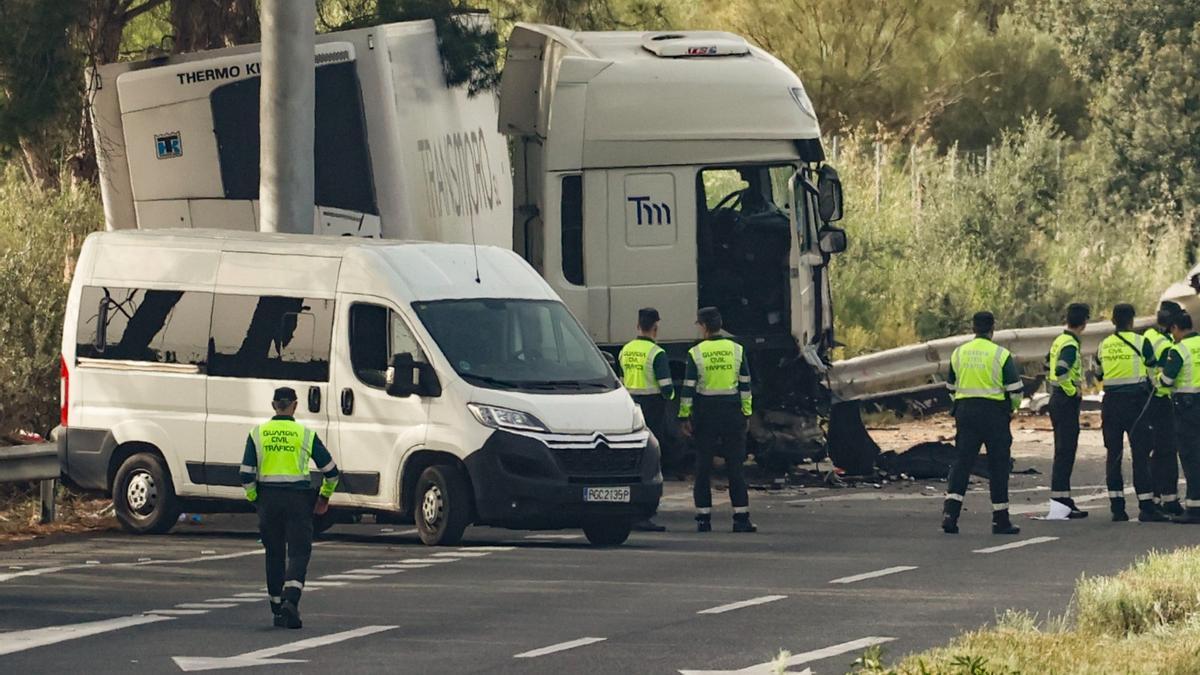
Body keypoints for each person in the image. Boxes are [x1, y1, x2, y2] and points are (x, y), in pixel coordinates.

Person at [240, 387, 340, 629]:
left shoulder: (258, 434)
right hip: (298, 501)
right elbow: (331, 472)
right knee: (298, 552)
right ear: (295, 405)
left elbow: (246, 474)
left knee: (273, 553)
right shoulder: (304, 434)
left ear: (274, 405)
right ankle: (291, 601)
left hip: (268, 500)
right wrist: (323, 499)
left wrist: (255, 499)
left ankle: (277, 608)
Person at [941, 311, 1023, 535]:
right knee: (998, 465)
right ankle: (1000, 520)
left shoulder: (959, 353)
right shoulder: (1000, 354)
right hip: (994, 414)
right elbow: (1015, 390)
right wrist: (1012, 408)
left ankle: (950, 515)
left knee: (962, 463)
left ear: (973, 328)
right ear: (992, 329)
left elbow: (950, 387)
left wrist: (961, 403)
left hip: (965, 412)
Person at [678, 307, 756, 533]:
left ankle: (703, 518)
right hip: (732, 412)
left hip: (706, 413)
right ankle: (741, 518)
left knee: (703, 466)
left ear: (703, 326)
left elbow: (688, 389)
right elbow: (745, 385)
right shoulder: (737, 350)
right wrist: (746, 413)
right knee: (735, 466)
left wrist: (685, 416)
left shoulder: (696, 353)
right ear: (720, 325)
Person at [1094, 304, 1165, 522]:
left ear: (1113, 321)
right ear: (1132, 321)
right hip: (1137, 404)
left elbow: (1098, 374)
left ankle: (1117, 508)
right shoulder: (1141, 342)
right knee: (1140, 455)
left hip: (1111, 403)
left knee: (1113, 454)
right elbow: (1153, 371)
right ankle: (1146, 506)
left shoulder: (1103, 345)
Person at [619, 307, 675, 532]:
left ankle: (628, 508)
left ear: (637, 325)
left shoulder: (625, 350)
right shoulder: (657, 353)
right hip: (652, 409)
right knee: (652, 461)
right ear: (655, 327)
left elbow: (621, 379)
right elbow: (667, 388)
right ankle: (646, 512)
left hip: (631, 407)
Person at [1046, 303, 1090, 518]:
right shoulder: (1070, 344)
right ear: (1085, 322)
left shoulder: (1060, 340)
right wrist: (1072, 391)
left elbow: (1048, 363)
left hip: (1056, 399)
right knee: (1065, 451)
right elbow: (1060, 369)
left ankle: (1062, 499)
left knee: (1063, 450)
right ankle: (1060, 503)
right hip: (1064, 401)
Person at [1156, 312, 1200, 523]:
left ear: (1175, 328)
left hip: (1188, 407)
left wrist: (1159, 379)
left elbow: (1166, 379)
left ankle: (1194, 508)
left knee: (1191, 456)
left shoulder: (1179, 349)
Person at [1146, 304, 1183, 515]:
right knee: (1167, 452)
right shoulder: (1167, 345)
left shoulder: (1149, 336)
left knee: (1155, 452)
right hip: (1162, 401)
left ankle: (1156, 497)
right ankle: (1169, 499)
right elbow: (1167, 378)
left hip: (1147, 401)